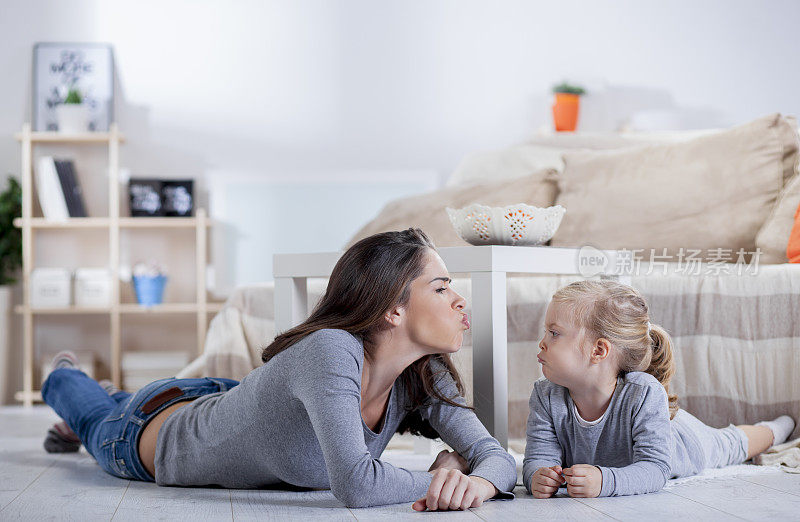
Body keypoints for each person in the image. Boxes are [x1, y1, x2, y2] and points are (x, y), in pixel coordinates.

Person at [42, 228, 517, 510]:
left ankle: (109, 396)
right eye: (441, 288)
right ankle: (68, 377)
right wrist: (446, 480)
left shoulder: (421, 374)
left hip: (225, 401)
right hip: (149, 433)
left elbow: (497, 458)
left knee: (115, 406)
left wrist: (474, 481)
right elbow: (355, 483)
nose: (459, 300)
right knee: (90, 416)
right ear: (393, 310)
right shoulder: (331, 351)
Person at [523, 279, 795, 498]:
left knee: (730, 444)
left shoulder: (643, 393)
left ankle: (778, 428)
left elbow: (655, 469)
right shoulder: (546, 395)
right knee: (729, 442)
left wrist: (606, 480)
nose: (542, 342)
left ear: (599, 350)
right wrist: (539, 476)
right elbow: (537, 458)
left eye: (554, 333)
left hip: (682, 442)